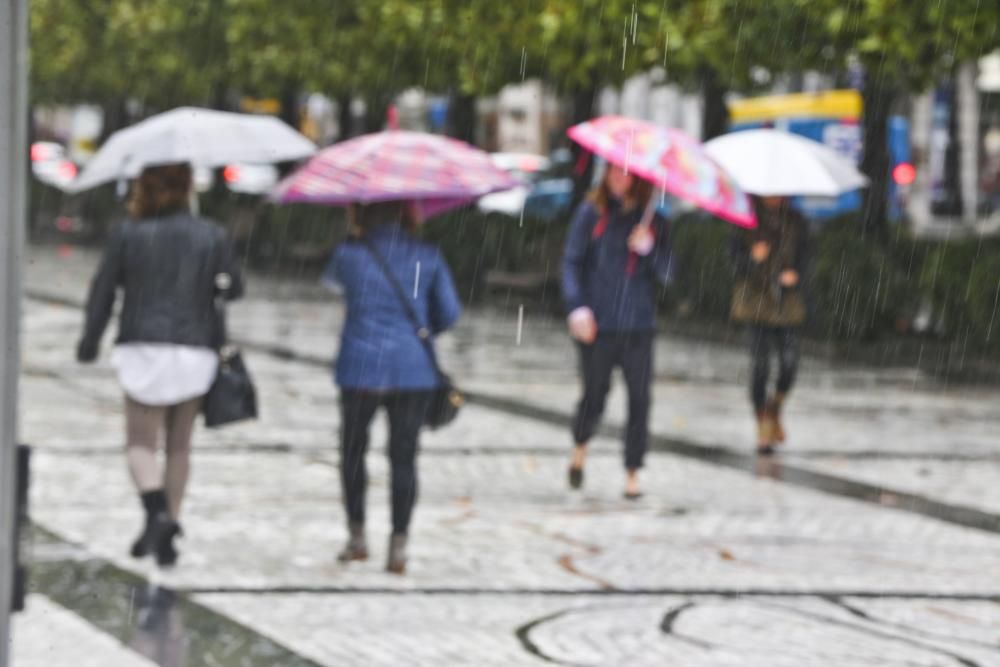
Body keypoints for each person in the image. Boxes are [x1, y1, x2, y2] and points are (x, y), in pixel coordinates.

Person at [77, 162, 243, 566]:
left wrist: (89, 340)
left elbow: (103, 290)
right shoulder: (211, 233)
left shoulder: (129, 232)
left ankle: (156, 515)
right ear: (188, 187)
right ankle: (167, 533)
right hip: (194, 347)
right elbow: (235, 287)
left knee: (139, 444)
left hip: (143, 346)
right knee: (179, 446)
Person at [322, 201, 461, 574]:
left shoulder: (349, 255)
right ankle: (398, 547)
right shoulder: (427, 255)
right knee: (404, 457)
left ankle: (357, 536)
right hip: (411, 369)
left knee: (353, 452)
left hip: (359, 368)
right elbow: (449, 313)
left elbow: (336, 286)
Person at [561, 164, 673, 499]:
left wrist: (650, 250)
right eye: (613, 172)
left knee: (640, 399)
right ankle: (580, 447)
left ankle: (632, 472)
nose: (618, 179)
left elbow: (669, 273)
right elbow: (571, 260)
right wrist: (576, 306)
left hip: (639, 325)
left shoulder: (655, 221)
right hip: (599, 323)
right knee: (595, 393)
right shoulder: (590, 213)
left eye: (625, 174)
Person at [730, 195, 810, 455]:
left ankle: (775, 407)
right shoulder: (745, 220)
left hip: (787, 305)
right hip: (755, 304)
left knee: (789, 363)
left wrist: (795, 275)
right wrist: (753, 258)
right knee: (761, 365)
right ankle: (763, 420)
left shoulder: (797, 221)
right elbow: (732, 263)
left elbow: (808, 260)